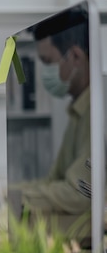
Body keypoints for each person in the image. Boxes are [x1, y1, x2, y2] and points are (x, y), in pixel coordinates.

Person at [16, 20, 91, 234]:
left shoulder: (97, 112)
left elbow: (81, 193)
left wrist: (21, 198)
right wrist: (12, 194)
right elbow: (54, 181)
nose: (45, 72)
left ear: (75, 57)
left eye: (48, 62)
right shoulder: (79, 109)